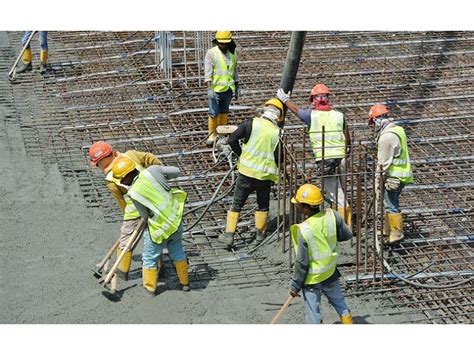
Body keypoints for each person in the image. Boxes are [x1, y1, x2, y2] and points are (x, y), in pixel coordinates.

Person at [111, 156, 190, 295]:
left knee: (149, 257)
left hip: (159, 230)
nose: (122, 183)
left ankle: (150, 289)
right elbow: (176, 171)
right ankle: (185, 283)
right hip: (176, 222)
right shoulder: (153, 170)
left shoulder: (133, 193)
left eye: (122, 180)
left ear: (127, 176)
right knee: (178, 251)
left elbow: (145, 215)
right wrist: (162, 179)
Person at [277, 84, 352, 227]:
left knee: (337, 195)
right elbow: (347, 138)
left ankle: (344, 227)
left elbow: (296, 110)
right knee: (340, 190)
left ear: (313, 100)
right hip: (342, 158)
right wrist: (347, 150)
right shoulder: (339, 115)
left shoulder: (312, 115)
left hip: (326, 160)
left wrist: (285, 99)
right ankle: (337, 218)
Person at [89, 141, 163, 280]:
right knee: (155, 236)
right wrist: (159, 172)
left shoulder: (111, 180)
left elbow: (122, 203)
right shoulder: (130, 155)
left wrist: (129, 221)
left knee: (125, 241)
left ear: (105, 158)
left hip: (135, 208)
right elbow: (150, 158)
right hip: (156, 199)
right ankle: (160, 266)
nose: (98, 166)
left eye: (98, 163)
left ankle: (122, 272)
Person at [218, 98, 285, 248]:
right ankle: (259, 236)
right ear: (278, 116)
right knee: (262, 205)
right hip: (265, 176)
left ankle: (229, 236)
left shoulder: (251, 123)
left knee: (237, 203)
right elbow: (279, 157)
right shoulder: (278, 133)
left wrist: (241, 154)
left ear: (265, 110)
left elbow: (232, 139)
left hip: (246, 172)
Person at [289, 183, 353, 324]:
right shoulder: (332, 215)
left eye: (299, 204)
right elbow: (347, 234)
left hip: (312, 280)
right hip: (330, 272)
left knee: (313, 313)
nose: (297, 206)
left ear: (306, 207)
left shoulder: (304, 229)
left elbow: (302, 263)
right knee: (340, 304)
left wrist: (295, 285)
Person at [368, 104, 414, 244]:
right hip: (404, 174)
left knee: (390, 203)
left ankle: (396, 232)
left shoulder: (386, 138)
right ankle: (388, 230)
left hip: (395, 176)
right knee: (389, 201)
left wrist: (377, 180)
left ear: (376, 119)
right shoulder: (398, 129)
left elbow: (383, 164)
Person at [204, 31, 239, 147]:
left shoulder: (233, 52)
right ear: (217, 42)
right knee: (214, 113)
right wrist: (209, 89)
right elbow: (208, 73)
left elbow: (235, 70)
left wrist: (237, 86)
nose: (223, 45)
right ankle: (212, 135)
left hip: (228, 89)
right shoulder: (211, 53)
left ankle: (222, 134)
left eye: (225, 43)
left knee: (224, 112)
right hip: (216, 90)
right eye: (221, 43)